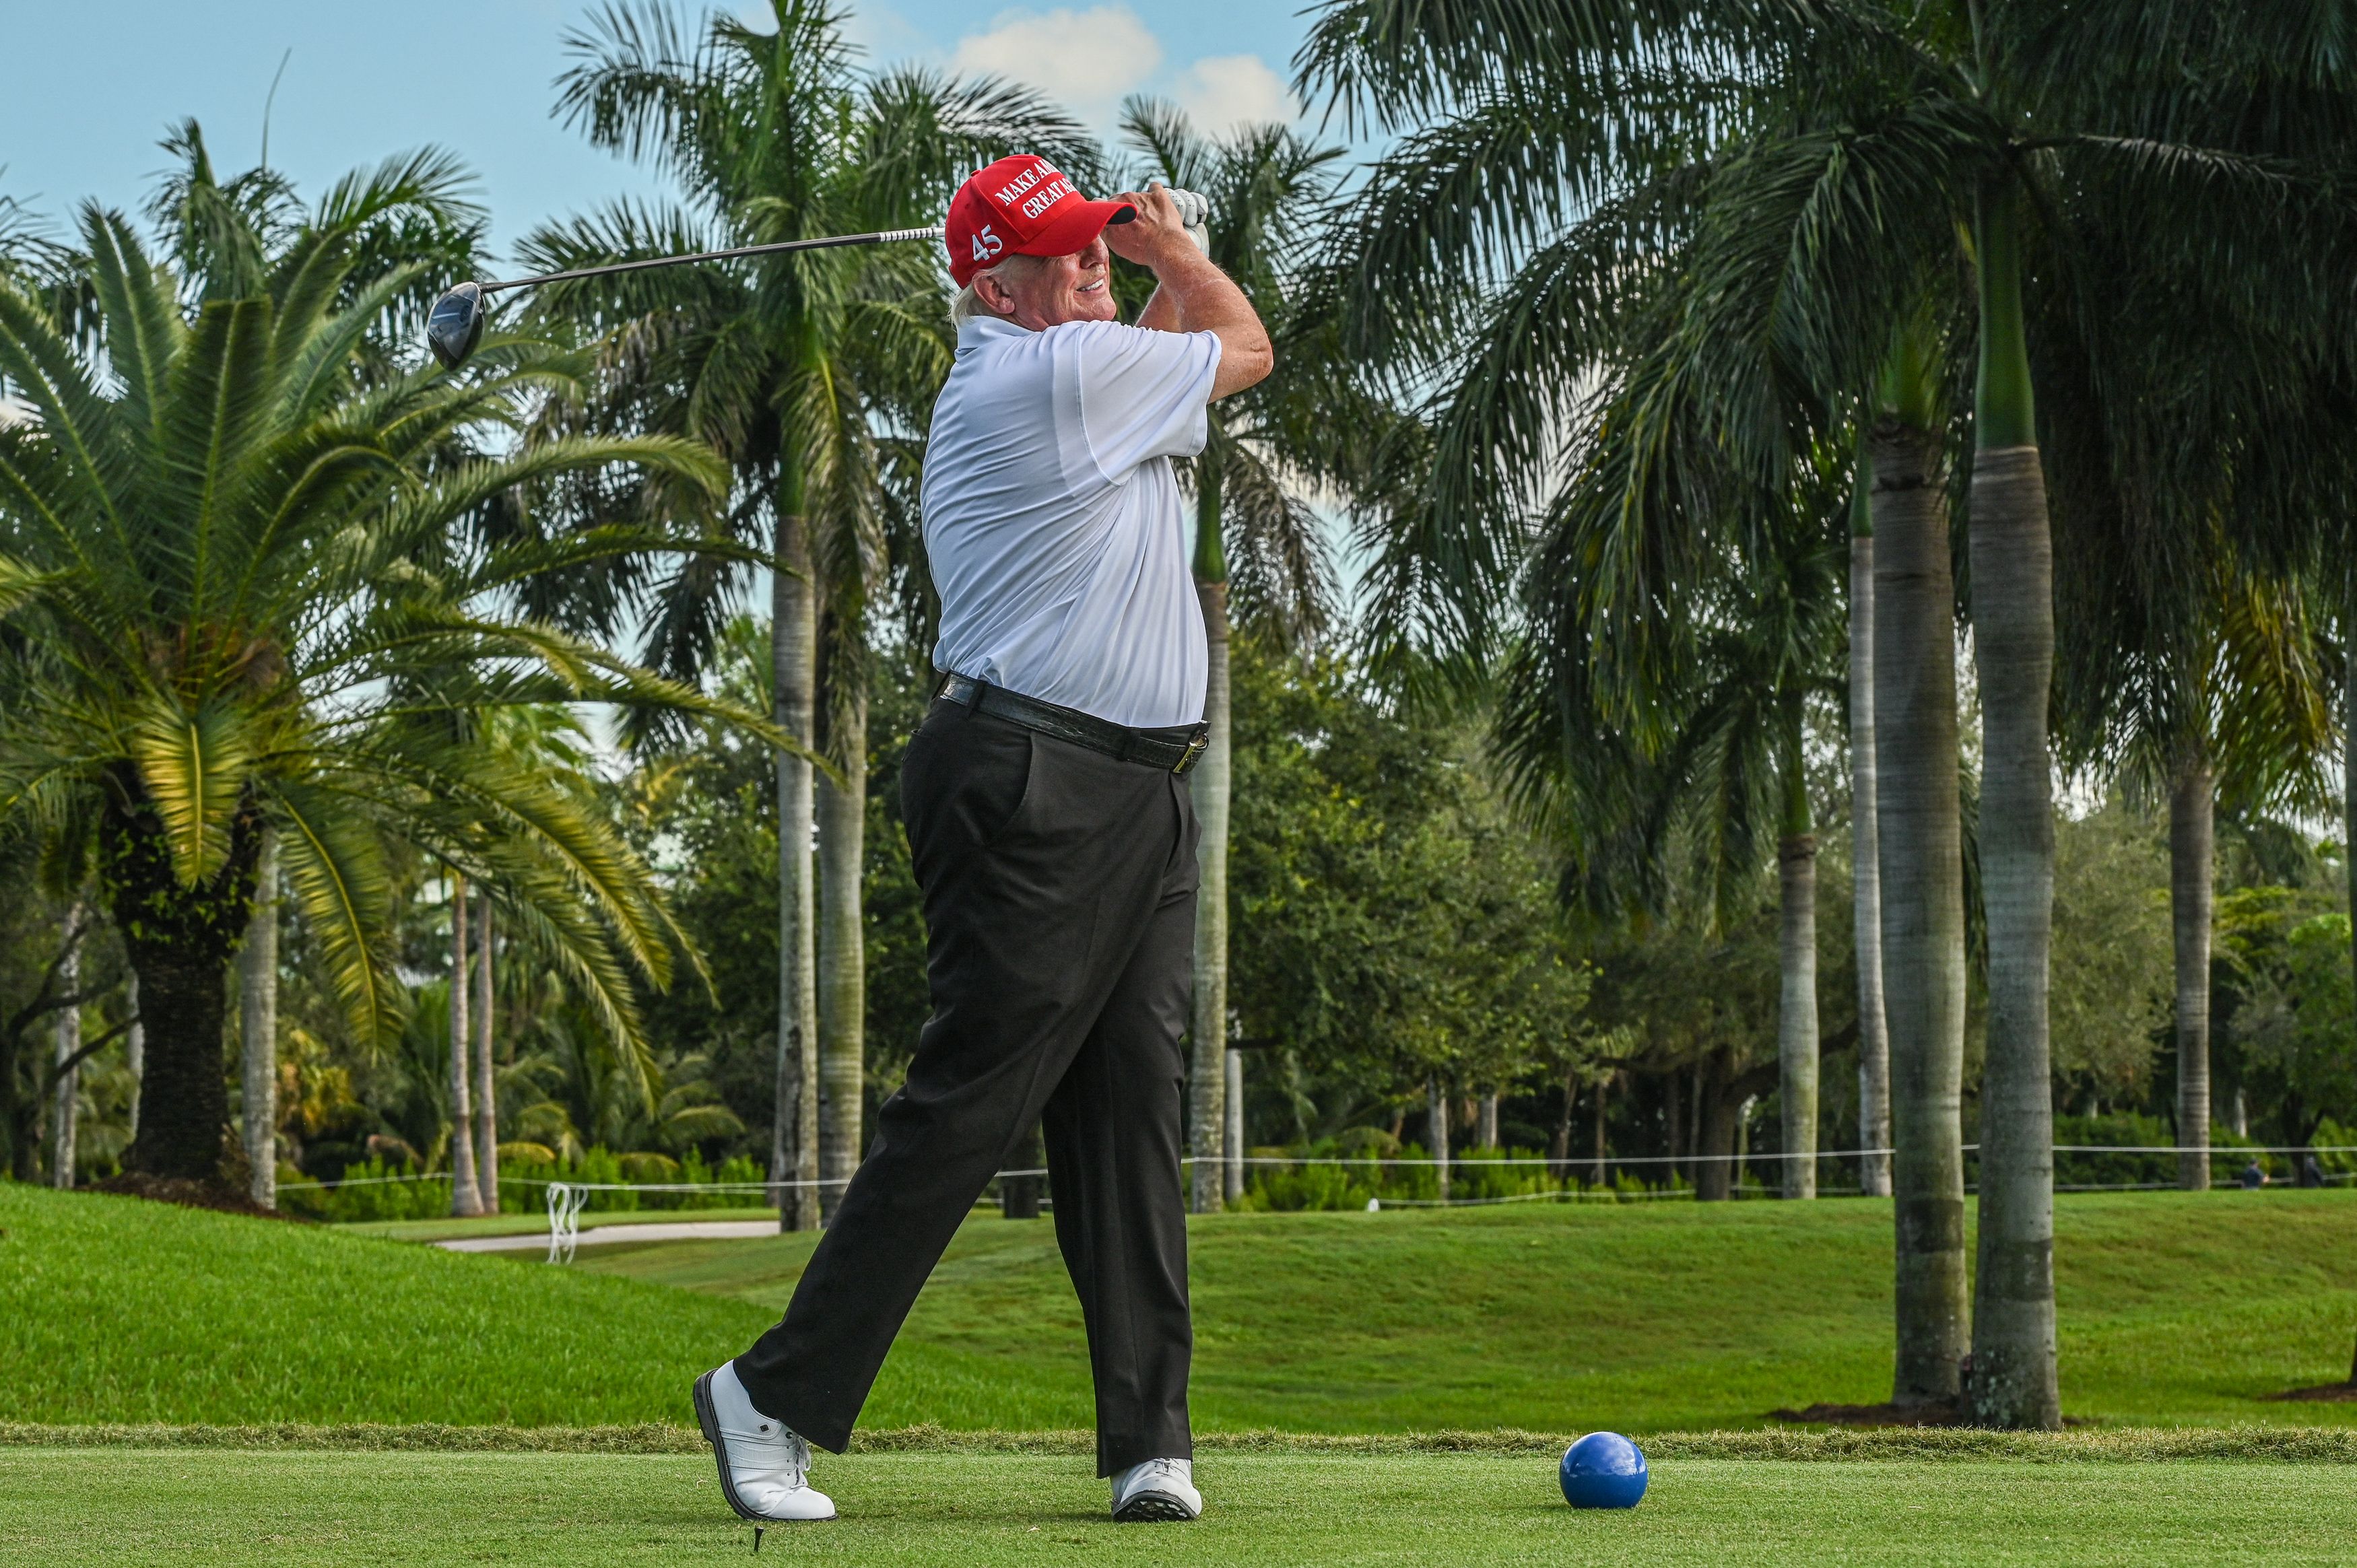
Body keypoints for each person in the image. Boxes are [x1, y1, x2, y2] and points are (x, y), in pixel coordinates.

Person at [690, 155, 1273, 1530]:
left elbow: (1184, 360)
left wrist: (1144, 266)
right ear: (991, 284)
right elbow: (1240, 345)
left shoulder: (1089, 373)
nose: (1095, 267)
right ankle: (767, 1395)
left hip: (1133, 785)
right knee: (970, 1104)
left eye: (1097, 247)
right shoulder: (1044, 378)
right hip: (1031, 774)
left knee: (1130, 1105)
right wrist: (1175, 247)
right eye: (1068, 254)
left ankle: (1148, 1436)